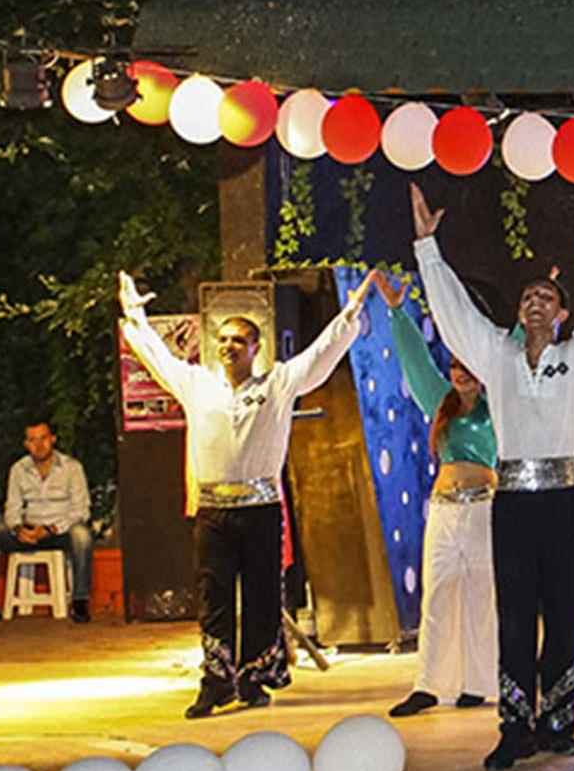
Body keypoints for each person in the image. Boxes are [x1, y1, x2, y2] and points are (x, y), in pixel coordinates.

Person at [411, 182, 574, 771]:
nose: (536, 303)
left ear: (563, 312)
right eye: (528, 297)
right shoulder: (495, 354)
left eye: (546, 296)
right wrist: (427, 247)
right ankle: (514, 726)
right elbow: (454, 313)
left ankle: (558, 722)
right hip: (513, 502)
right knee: (516, 614)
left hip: (563, 498)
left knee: (564, 613)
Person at [117, 268, 380, 717]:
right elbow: (158, 359)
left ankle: (253, 678)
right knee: (213, 596)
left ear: (256, 348)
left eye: (238, 340)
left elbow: (319, 357)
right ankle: (217, 680)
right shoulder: (197, 384)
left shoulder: (277, 384)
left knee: (261, 595)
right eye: (223, 340)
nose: (228, 346)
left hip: (260, 508)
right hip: (213, 511)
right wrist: (135, 317)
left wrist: (349, 314)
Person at [378, 276, 498, 717]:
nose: (460, 374)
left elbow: (514, 354)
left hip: (485, 507)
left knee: (482, 593)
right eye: (455, 367)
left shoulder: (498, 407)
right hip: (446, 510)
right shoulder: (440, 404)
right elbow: (415, 362)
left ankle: (478, 683)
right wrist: (397, 312)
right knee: (439, 592)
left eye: (468, 367)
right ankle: (430, 684)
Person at [0, 420, 93, 624]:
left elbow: (81, 510)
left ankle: (80, 602)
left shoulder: (72, 468)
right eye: (33, 440)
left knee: (82, 536)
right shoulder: (19, 469)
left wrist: (51, 529)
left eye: (43, 438)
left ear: (53, 439)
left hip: (61, 530)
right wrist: (18, 529)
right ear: (26, 444)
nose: (39, 445)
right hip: (27, 530)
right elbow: (12, 508)